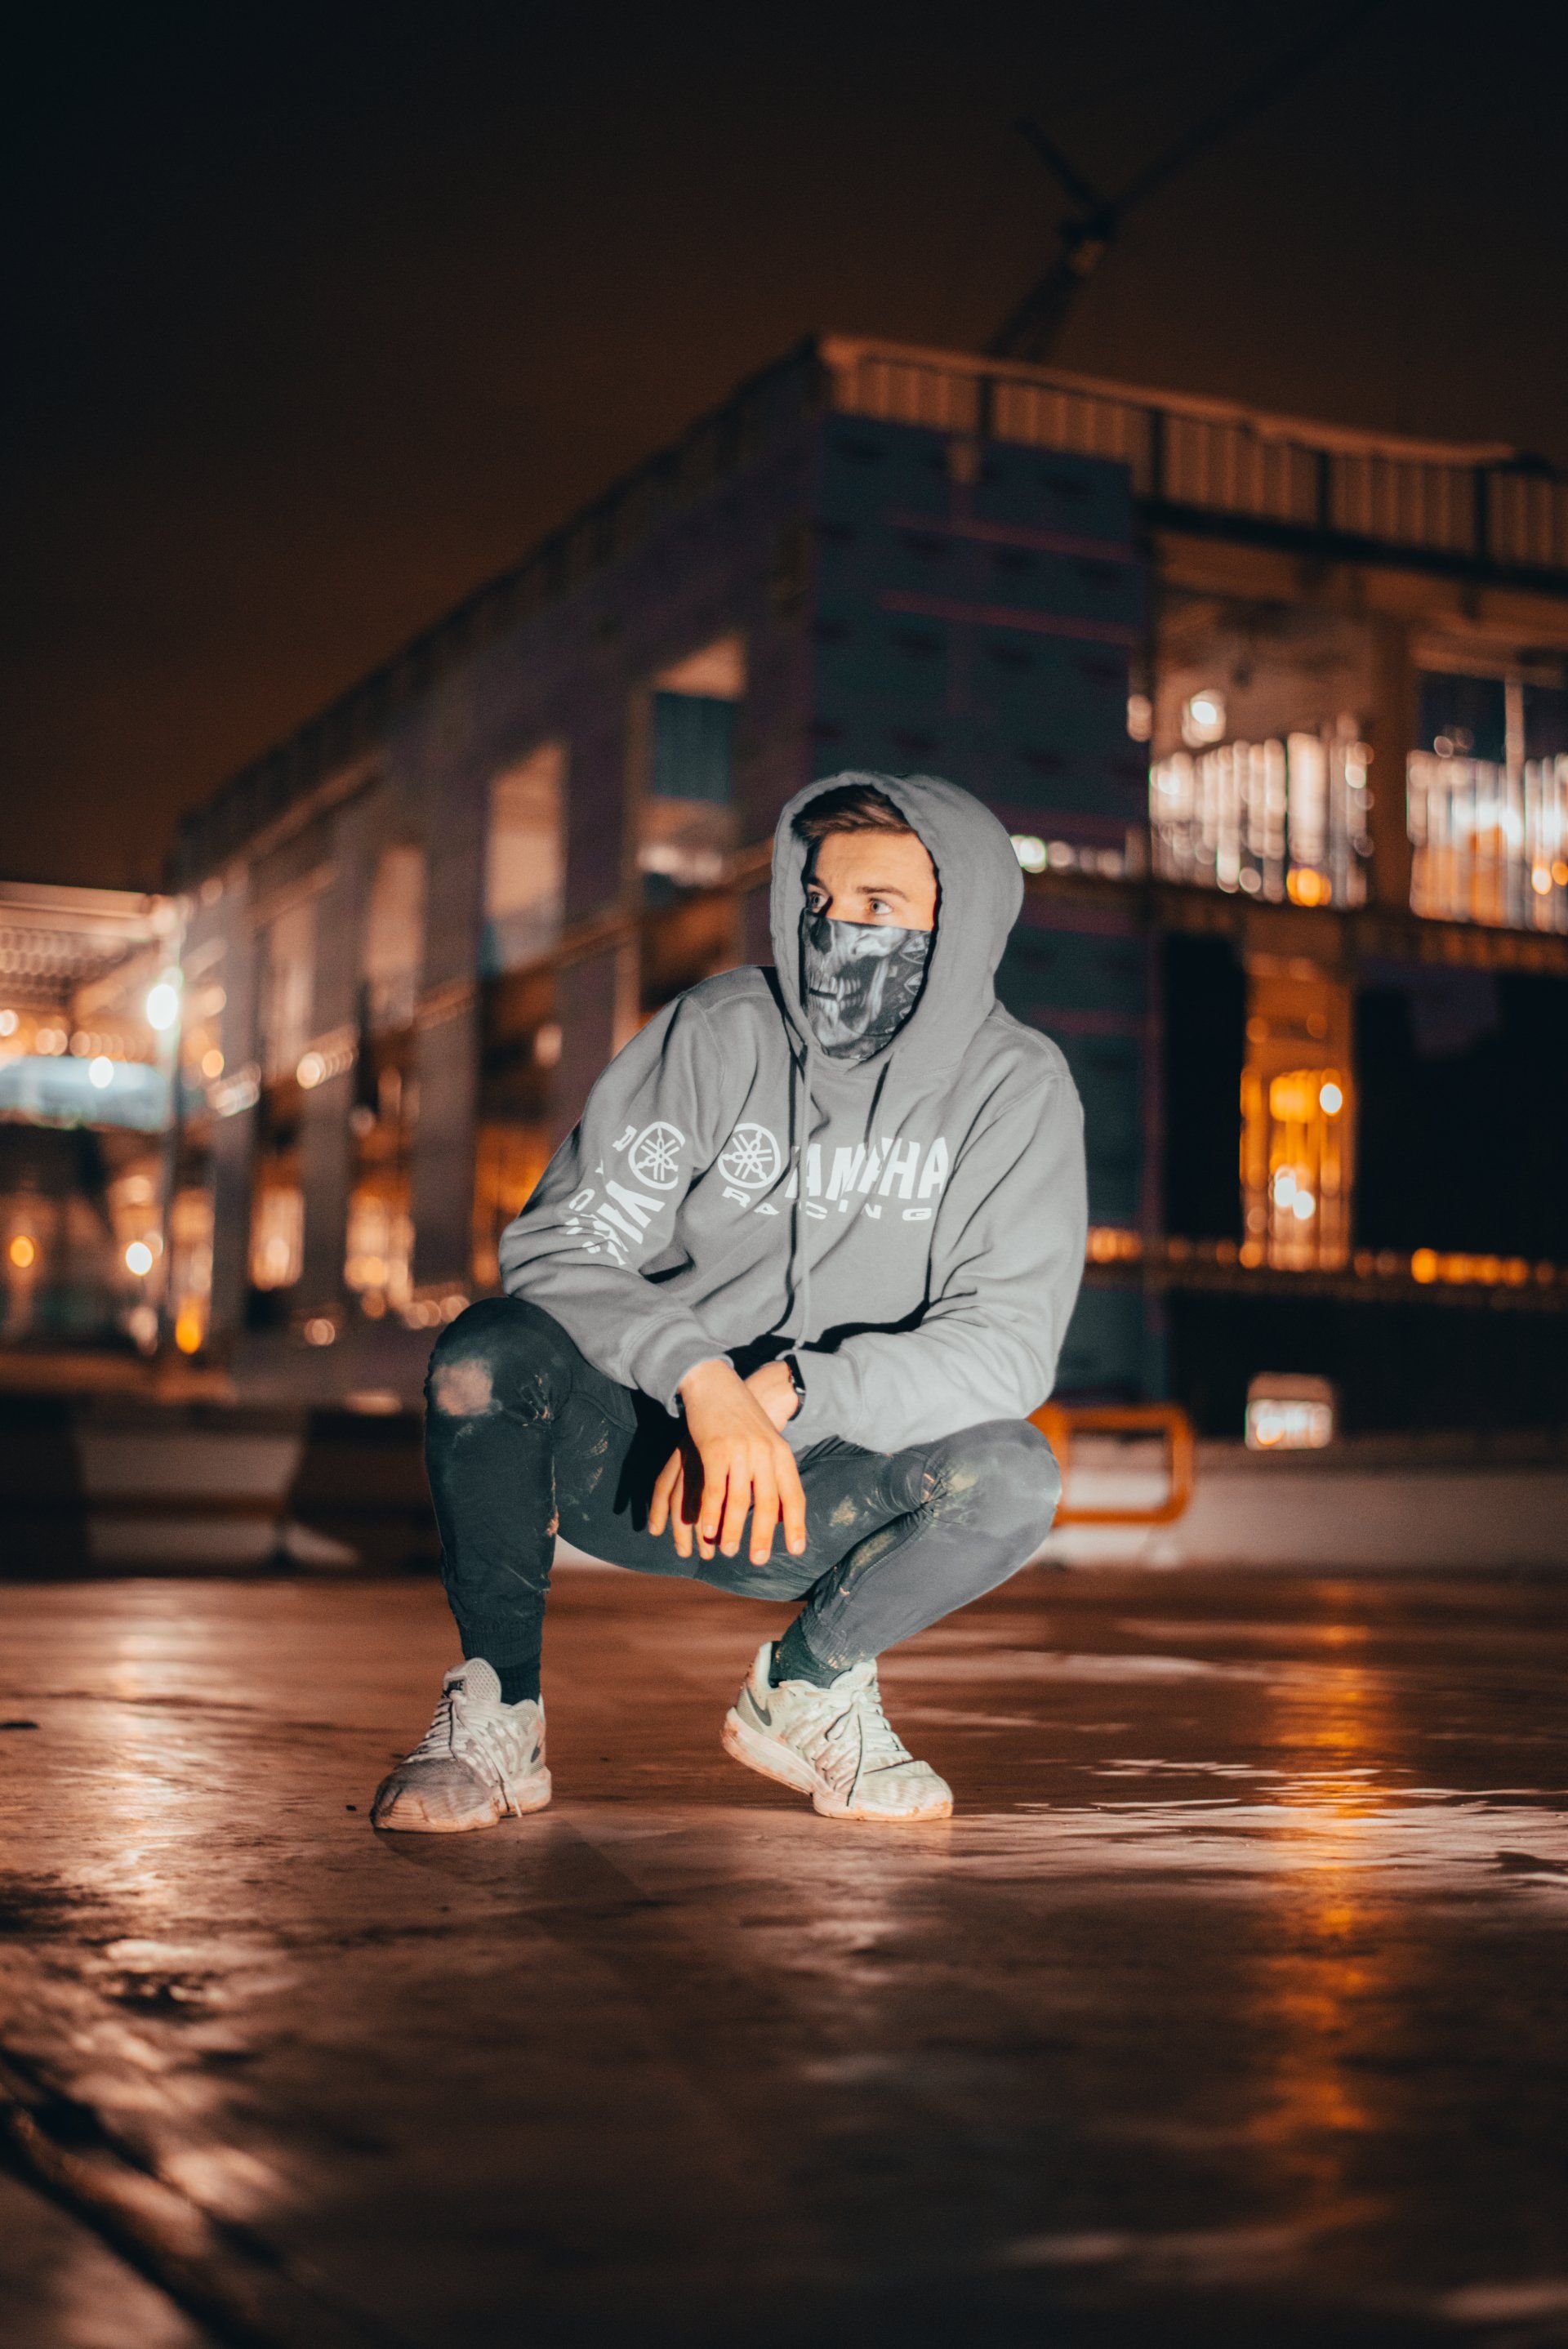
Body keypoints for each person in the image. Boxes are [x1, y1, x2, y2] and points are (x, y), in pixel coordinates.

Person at [372, 771, 1086, 1831]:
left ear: (965, 915)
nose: (840, 932)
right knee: (489, 1356)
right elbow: (563, 1243)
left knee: (1012, 1476)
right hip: (648, 1464)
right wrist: (698, 1378)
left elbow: (1007, 1349)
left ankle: (809, 1687)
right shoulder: (720, 1035)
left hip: (820, 1493)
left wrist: (794, 1390)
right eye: (822, 902)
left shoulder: (1014, 1091)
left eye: (880, 908)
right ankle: (499, 1711)